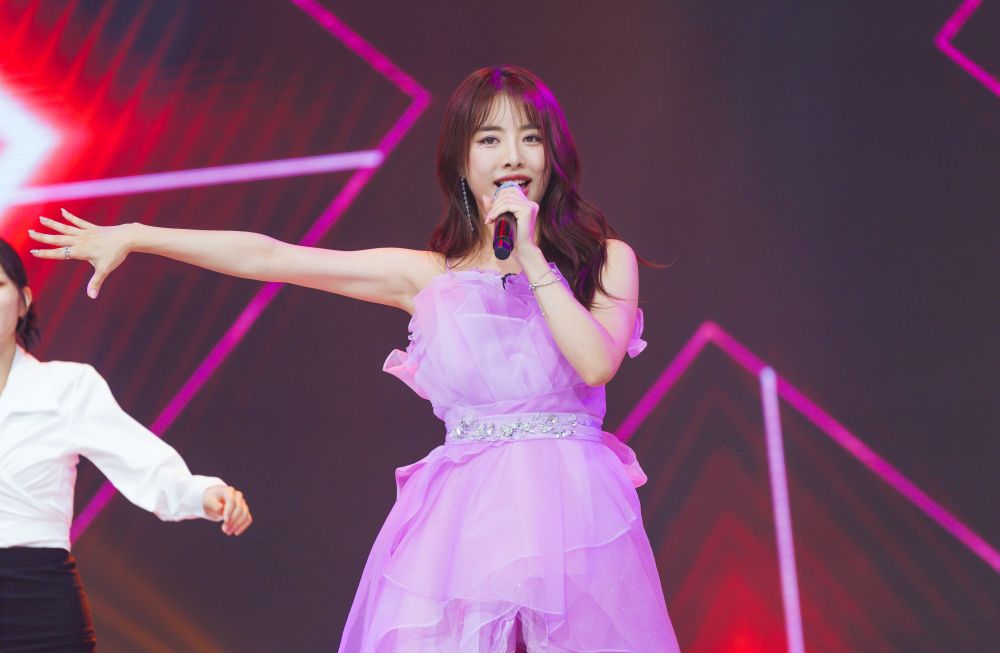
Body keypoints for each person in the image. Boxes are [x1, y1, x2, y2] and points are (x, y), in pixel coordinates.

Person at [29, 65, 681, 652]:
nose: (512, 155)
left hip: (574, 522)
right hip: (463, 528)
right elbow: (271, 257)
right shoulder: (428, 277)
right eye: (490, 139)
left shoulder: (605, 260)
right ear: (461, 162)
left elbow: (596, 363)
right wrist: (139, 235)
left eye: (530, 137)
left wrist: (532, 255)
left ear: (553, 154)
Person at [0, 237, 253, 653]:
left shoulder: (67, 386)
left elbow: (139, 459)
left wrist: (201, 494)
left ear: (24, 300)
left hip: (41, 601)